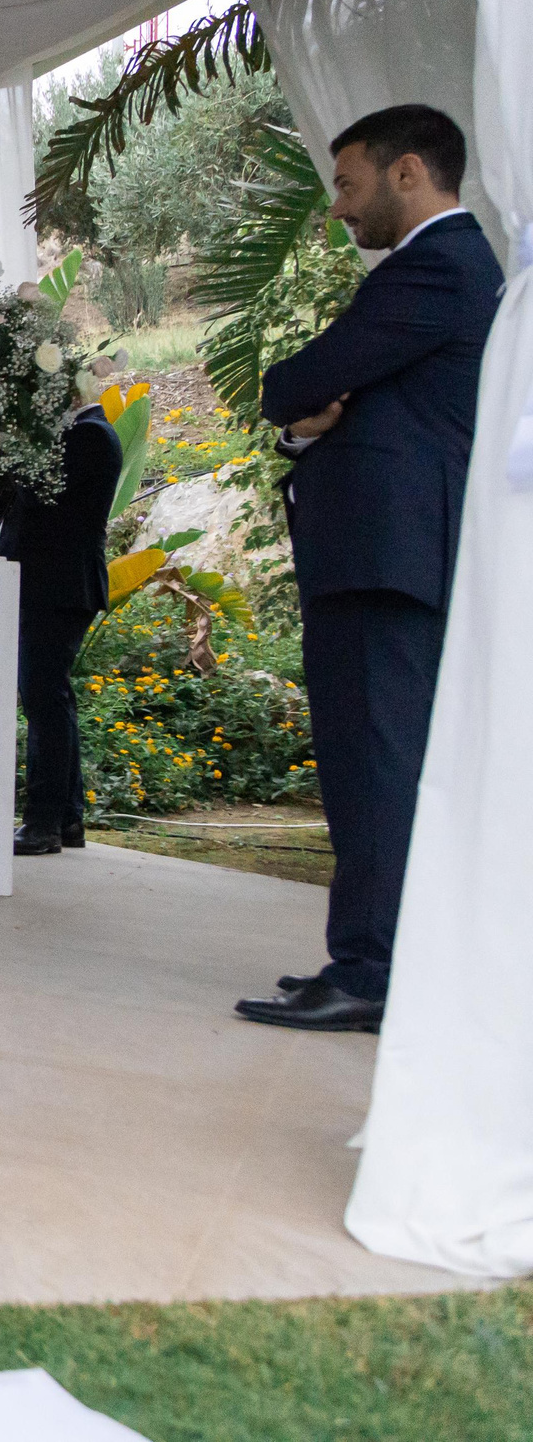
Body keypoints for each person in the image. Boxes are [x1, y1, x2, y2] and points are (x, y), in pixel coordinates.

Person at [236, 104, 500, 1034]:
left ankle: (375, 971)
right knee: (362, 761)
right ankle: (363, 957)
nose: (337, 208)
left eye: (347, 184)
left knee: (376, 763)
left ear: (407, 172)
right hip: (380, 554)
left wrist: (300, 406)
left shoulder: (438, 264)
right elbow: (321, 397)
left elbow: (296, 380)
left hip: (389, 558)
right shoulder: (438, 271)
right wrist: (309, 419)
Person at [0, 402, 123, 856]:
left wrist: (17, 439)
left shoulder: (88, 435)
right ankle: (66, 819)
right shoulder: (70, 435)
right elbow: (2, 496)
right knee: (50, 697)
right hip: (47, 585)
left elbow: (41, 497)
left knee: (45, 698)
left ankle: (44, 822)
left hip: (59, 586)